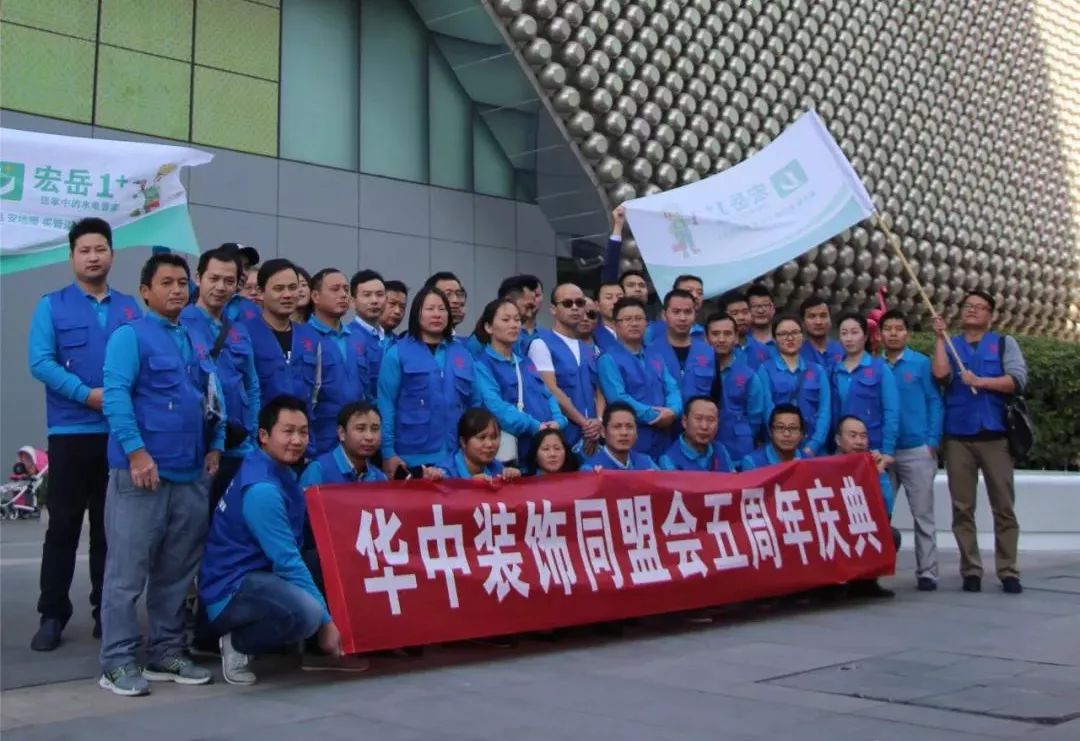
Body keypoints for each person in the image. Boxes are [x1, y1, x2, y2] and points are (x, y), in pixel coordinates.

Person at [98, 253, 223, 696]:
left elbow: (212, 396)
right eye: (166, 282)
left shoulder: (195, 338)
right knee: (126, 575)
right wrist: (136, 454)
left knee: (175, 574)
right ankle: (117, 661)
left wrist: (215, 445)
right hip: (142, 476)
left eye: (182, 282)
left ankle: (166, 653)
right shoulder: (130, 335)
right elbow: (115, 396)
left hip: (190, 475)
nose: (176, 289)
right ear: (145, 291)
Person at [27, 217, 141, 651]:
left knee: (110, 531)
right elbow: (40, 362)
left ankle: (105, 612)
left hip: (118, 435)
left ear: (112, 253)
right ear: (72, 256)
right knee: (63, 527)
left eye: (100, 249)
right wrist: (86, 395)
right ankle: (52, 614)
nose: (93, 257)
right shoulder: (51, 306)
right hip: (70, 433)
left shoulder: (130, 308)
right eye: (84, 250)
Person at [199, 396, 349, 686]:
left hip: (258, 573)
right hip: (231, 587)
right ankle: (239, 642)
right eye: (288, 431)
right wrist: (326, 623)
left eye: (303, 432)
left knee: (324, 560)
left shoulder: (273, 466)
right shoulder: (263, 490)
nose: (297, 440)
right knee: (308, 614)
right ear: (264, 436)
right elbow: (287, 561)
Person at [931, 290, 1027, 594]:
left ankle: (1008, 570)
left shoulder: (1003, 343)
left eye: (979, 307)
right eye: (968, 306)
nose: (972, 310)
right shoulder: (952, 344)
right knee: (962, 507)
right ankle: (970, 569)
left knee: (1003, 507)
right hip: (959, 436)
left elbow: (1017, 380)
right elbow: (940, 375)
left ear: (990, 314)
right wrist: (939, 338)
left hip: (995, 435)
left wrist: (981, 382)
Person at [181, 247, 260, 513]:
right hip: (199, 445)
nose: (220, 287)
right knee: (195, 523)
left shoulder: (239, 330)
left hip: (238, 445)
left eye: (228, 281)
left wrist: (252, 431)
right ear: (198, 278)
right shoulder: (182, 323)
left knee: (232, 519)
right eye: (213, 279)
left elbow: (251, 384)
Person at [378, 286, 476, 476]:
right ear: (417, 313)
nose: (437, 314)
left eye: (442, 309)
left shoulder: (462, 353)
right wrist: (388, 452)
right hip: (412, 457)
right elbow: (386, 404)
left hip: (456, 457)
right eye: (430, 309)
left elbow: (475, 402)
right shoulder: (397, 353)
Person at [881, 309, 943, 591]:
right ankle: (875, 572)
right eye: (888, 329)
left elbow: (934, 401)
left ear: (907, 332)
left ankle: (928, 572)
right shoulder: (875, 365)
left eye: (899, 328)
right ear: (880, 334)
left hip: (917, 449)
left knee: (923, 515)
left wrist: (932, 440)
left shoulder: (920, 363)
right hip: (884, 451)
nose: (893, 334)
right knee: (880, 513)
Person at [473, 299, 566, 464]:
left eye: (517, 320)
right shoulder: (481, 364)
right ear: (488, 327)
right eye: (506, 320)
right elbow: (495, 406)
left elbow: (547, 394)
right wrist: (535, 426)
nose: (514, 325)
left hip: (542, 448)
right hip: (515, 454)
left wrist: (559, 421)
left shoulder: (526, 362)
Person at [242, 260, 322, 434]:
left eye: (293, 288)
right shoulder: (244, 334)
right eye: (278, 289)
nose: (287, 295)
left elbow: (315, 391)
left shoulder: (311, 337)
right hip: (259, 437)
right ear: (261, 292)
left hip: (300, 438)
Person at [597, 297, 682, 458]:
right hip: (634, 439)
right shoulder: (608, 359)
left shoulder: (655, 355)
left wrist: (673, 411)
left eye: (639, 318)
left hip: (664, 438)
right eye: (627, 319)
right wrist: (656, 416)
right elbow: (618, 398)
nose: (634, 323)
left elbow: (672, 387)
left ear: (646, 323)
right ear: (615, 324)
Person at [529, 283, 603, 454]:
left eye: (580, 303)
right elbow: (551, 389)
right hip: (561, 439)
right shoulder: (541, 344)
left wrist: (598, 421)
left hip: (592, 437)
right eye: (568, 303)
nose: (575, 308)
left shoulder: (591, 349)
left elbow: (600, 389)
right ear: (553, 310)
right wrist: (585, 424)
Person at [834, 415, 897, 598]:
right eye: (852, 435)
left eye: (863, 436)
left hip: (861, 527)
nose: (859, 442)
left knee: (892, 535)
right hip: (836, 530)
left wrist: (880, 473)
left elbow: (887, 509)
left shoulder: (870, 465)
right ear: (838, 440)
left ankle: (867, 583)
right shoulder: (826, 465)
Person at [307, 268, 368, 455]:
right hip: (319, 440)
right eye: (335, 289)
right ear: (315, 296)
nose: (343, 294)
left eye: (346, 289)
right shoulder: (304, 337)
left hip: (355, 442)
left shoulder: (357, 338)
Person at [757, 315, 832, 457]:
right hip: (778, 447)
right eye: (783, 334)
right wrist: (780, 441)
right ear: (774, 339)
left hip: (813, 448)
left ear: (802, 336)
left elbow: (825, 411)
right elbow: (767, 409)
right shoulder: (765, 370)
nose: (790, 338)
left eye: (794, 333)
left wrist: (814, 445)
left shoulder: (818, 371)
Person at [832, 313, 899, 458]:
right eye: (844, 333)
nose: (849, 338)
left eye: (854, 332)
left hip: (873, 448)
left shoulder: (880, 369)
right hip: (842, 448)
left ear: (865, 336)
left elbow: (891, 412)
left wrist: (887, 450)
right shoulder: (834, 371)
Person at [705, 313, 766, 465]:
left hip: (738, 449)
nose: (721, 339)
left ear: (736, 338)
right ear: (706, 338)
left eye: (727, 334)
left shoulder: (749, 376)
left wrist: (743, 435)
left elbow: (755, 417)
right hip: (703, 446)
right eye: (715, 334)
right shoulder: (697, 372)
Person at [647, 289, 714, 403]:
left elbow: (715, 394)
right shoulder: (650, 351)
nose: (682, 318)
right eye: (676, 312)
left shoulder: (708, 352)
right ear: (664, 315)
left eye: (688, 312)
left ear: (695, 315)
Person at [299, 401, 388, 486]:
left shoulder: (379, 478)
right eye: (360, 429)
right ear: (342, 433)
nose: (369, 437)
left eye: (375, 429)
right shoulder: (318, 471)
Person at [436, 408, 522, 481]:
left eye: (494, 437)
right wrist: (471, 485)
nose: (489, 444)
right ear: (463, 442)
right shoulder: (443, 474)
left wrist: (512, 479)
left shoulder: (497, 468)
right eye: (482, 438)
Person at [658, 396, 735, 472]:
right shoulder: (669, 460)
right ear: (684, 421)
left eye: (710, 420)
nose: (704, 426)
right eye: (698, 418)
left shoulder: (720, 450)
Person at [580, 402, 659, 471]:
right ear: (603, 432)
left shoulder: (646, 463)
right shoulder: (591, 469)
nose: (624, 433)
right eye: (617, 427)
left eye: (629, 426)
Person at [350, 269, 388, 397]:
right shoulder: (348, 337)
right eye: (367, 295)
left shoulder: (392, 340)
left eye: (379, 295)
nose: (374, 301)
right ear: (352, 302)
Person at [739, 404, 807, 471]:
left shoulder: (807, 461)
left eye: (793, 428)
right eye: (780, 427)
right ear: (770, 432)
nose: (786, 434)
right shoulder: (752, 463)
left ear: (801, 433)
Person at [645, 274, 706, 343]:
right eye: (689, 291)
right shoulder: (650, 330)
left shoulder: (705, 334)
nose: (695, 296)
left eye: (700, 293)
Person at [718, 290, 767, 370]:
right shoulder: (716, 349)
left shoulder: (762, 349)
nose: (741, 318)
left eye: (745, 312)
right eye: (734, 313)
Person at [799, 295, 844, 370]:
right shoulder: (796, 353)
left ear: (830, 320)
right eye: (812, 316)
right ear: (803, 323)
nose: (818, 322)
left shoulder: (844, 350)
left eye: (823, 316)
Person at [221, 243, 261, 322]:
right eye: (237, 265)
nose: (243, 272)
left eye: (246, 267)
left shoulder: (250, 308)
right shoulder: (198, 304)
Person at [423, 271, 467, 336]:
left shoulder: (462, 341)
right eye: (448, 294)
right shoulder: (411, 341)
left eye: (458, 294)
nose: (456, 300)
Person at [746, 283, 776, 361]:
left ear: (773, 308)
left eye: (765, 305)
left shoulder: (783, 338)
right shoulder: (742, 341)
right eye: (754, 306)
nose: (760, 311)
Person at [593, 281, 623, 352]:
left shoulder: (638, 331)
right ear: (597, 305)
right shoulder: (591, 335)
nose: (615, 302)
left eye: (620, 297)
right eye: (609, 298)